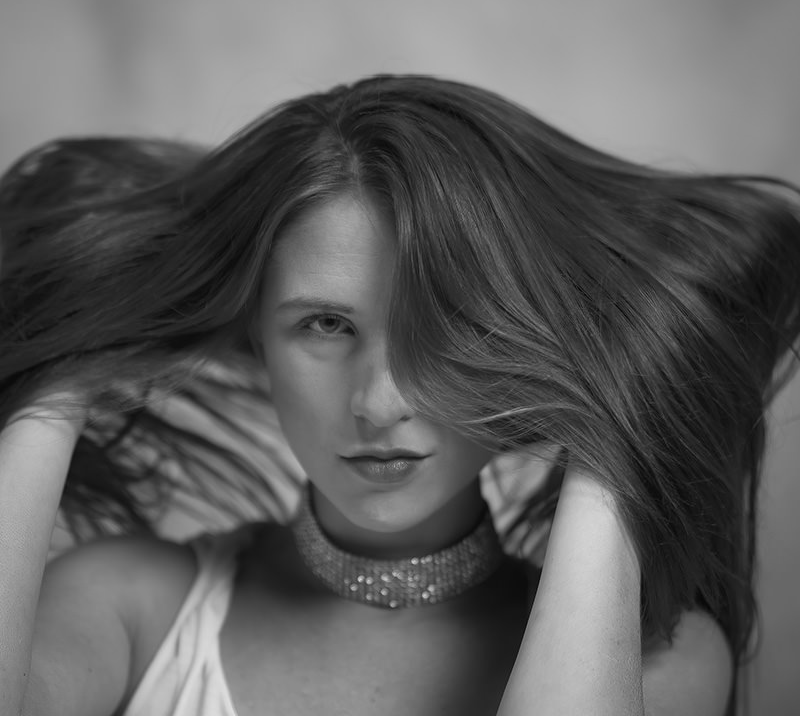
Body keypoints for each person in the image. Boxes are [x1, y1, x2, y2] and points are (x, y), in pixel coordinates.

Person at [2, 75, 799, 716]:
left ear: (530, 350)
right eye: (324, 323)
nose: (380, 403)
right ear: (254, 338)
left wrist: (616, 410)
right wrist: (68, 354)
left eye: (446, 328)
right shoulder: (126, 608)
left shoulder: (661, 658)